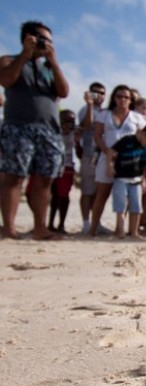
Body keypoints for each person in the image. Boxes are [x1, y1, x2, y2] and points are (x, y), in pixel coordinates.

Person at [0, 20, 69, 240]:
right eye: (43, 39)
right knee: (14, 177)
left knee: (45, 179)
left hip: (49, 130)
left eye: (49, 41)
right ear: (28, 38)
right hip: (18, 126)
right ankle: (9, 229)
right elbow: (6, 80)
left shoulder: (49, 67)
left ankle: (40, 228)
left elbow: (64, 91)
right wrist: (25, 54)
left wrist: (54, 62)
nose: (46, 44)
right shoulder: (9, 60)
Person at [89, 84, 146, 236]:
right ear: (114, 98)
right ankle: (92, 229)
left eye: (126, 97)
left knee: (128, 196)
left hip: (129, 161)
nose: (122, 100)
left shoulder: (137, 118)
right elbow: (97, 135)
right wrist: (108, 151)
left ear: (131, 100)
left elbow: (143, 141)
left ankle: (121, 229)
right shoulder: (104, 114)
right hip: (107, 157)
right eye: (119, 96)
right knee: (102, 194)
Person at [107, 123, 146, 238]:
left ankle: (134, 232)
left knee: (137, 206)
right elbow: (111, 151)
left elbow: (144, 166)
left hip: (136, 179)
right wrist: (110, 166)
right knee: (121, 206)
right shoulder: (127, 140)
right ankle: (120, 231)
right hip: (121, 178)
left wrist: (143, 180)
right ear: (144, 134)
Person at [77, 81, 106, 234]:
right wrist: (89, 105)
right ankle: (86, 223)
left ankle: (97, 222)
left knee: (98, 191)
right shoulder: (85, 109)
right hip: (89, 153)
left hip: (102, 154)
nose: (99, 95)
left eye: (102, 93)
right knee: (87, 190)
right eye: (95, 92)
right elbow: (86, 125)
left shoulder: (106, 112)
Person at [47, 110, 77, 234]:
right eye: (66, 120)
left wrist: (77, 140)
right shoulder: (52, 132)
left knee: (63, 196)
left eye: (72, 121)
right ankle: (50, 223)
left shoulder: (74, 134)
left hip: (67, 166)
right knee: (53, 196)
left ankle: (61, 225)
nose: (69, 123)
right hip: (52, 165)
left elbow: (80, 151)